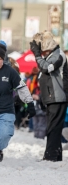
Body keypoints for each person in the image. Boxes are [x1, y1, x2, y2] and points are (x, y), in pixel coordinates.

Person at [30, 30, 68, 161]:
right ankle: (55, 156)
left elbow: (47, 68)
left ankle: (50, 156)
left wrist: (36, 55)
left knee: (53, 129)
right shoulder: (53, 55)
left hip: (58, 97)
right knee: (54, 128)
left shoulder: (59, 55)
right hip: (53, 98)